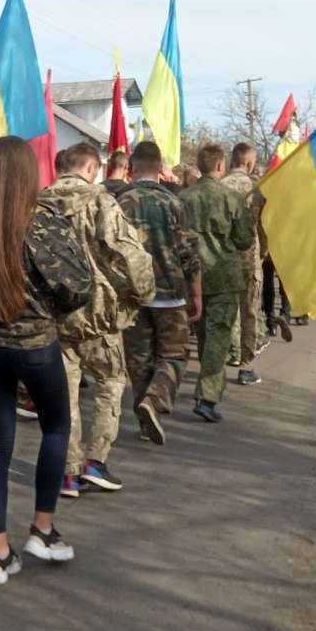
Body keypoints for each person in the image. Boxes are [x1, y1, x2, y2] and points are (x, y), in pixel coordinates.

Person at [0, 136, 91, 584]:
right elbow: (78, 285)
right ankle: (42, 528)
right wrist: (52, 310)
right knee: (56, 428)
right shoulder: (40, 221)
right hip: (34, 345)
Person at [38, 142, 154, 497]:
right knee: (111, 381)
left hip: (53, 316)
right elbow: (128, 253)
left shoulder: (38, 204)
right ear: (91, 168)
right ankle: (95, 460)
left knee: (66, 394)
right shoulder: (101, 201)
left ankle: (68, 473)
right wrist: (144, 293)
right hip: (98, 317)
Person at [118, 141, 201, 444]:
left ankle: (145, 421)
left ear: (132, 167)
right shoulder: (174, 203)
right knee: (174, 354)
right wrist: (196, 293)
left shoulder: (118, 203)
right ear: (159, 169)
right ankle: (154, 401)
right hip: (170, 292)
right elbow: (189, 252)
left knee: (139, 359)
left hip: (132, 295)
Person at [180, 143, 255, 423]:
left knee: (203, 335)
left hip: (192, 276)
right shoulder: (231, 198)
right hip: (224, 276)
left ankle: (207, 386)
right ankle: (207, 396)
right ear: (221, 166)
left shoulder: (183, 198)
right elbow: (244, 240)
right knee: (218, 336)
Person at [219, 143, 266, 385]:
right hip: (249, 260)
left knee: (225, 312)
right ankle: (246, 368)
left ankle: (224, 360)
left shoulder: (219, 187)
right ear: (249, 162)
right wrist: (263, 253)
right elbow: (264, 228)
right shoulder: (257, 190)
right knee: (250, 313)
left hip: (223, 260)